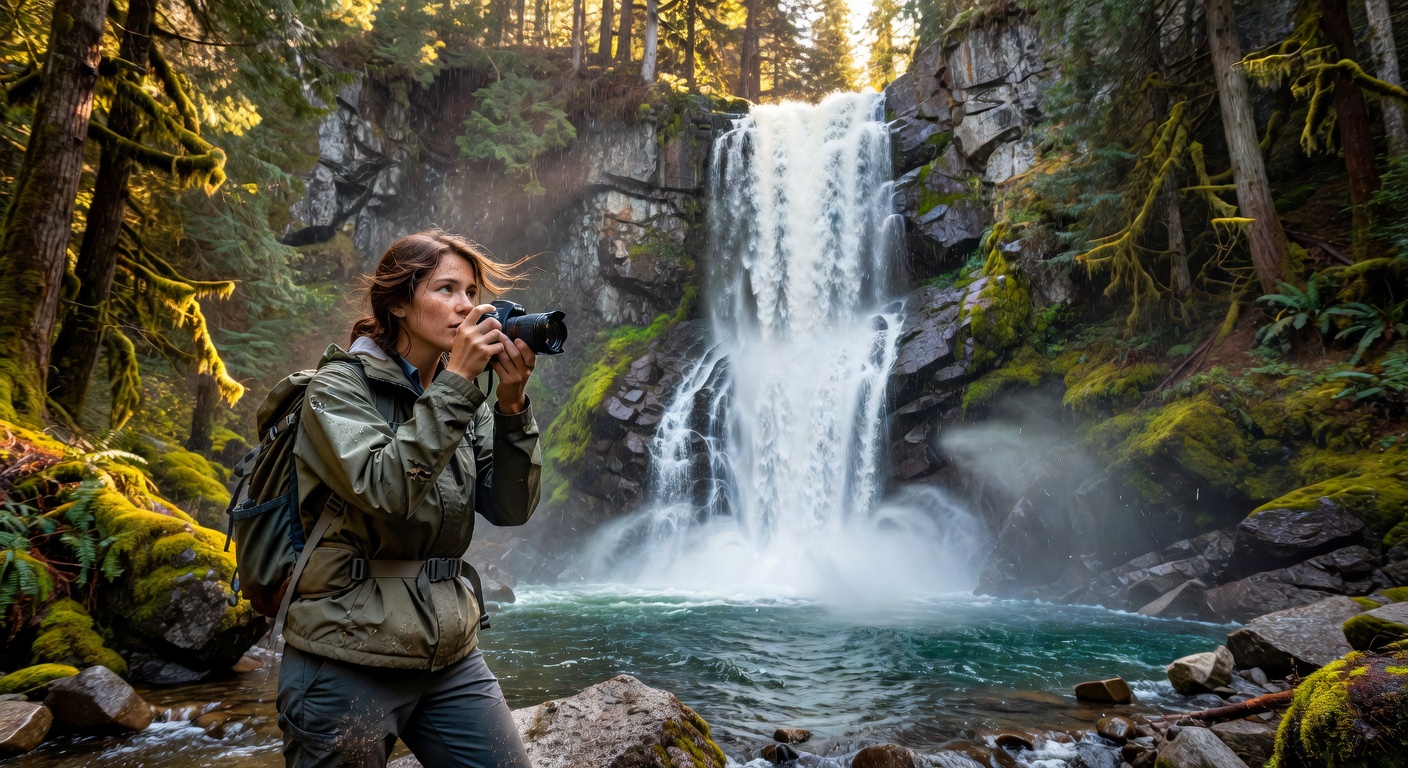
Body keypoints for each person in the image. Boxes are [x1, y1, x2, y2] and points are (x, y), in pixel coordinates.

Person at [278, 230, 541, 768]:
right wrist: (461, 379)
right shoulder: (337, 389)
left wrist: (512, 405)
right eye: (446, 289)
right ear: (398, 302)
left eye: (471, 292)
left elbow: (512, 508)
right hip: (347, 653)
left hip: (449, 653)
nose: (466, 306)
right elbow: (386, 489)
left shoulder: (458, 392)